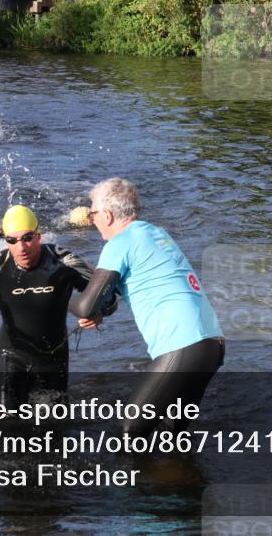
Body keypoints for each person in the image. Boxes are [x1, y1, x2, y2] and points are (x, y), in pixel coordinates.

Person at [71, 178, 224, 436]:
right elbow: (110, 299)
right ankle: (178, 476)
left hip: (182, 346)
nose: (91, 218)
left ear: (107, 215)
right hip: (212, 344)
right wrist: (99, 310)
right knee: (171, 435)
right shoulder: (155, 233)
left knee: (129, 431)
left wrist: (62, 290)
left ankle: (131, 477)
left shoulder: (119, 243)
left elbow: (85, 306)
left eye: (93, 212)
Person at [0, 205, 113, 409]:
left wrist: (99, 313)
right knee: (6, 426)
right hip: (11, 356)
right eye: (12, 241)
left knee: (56, 428)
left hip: (54, 359)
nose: (21, 248)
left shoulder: (64, 260)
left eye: (28, 238)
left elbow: (109, 297)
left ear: (39, 236)